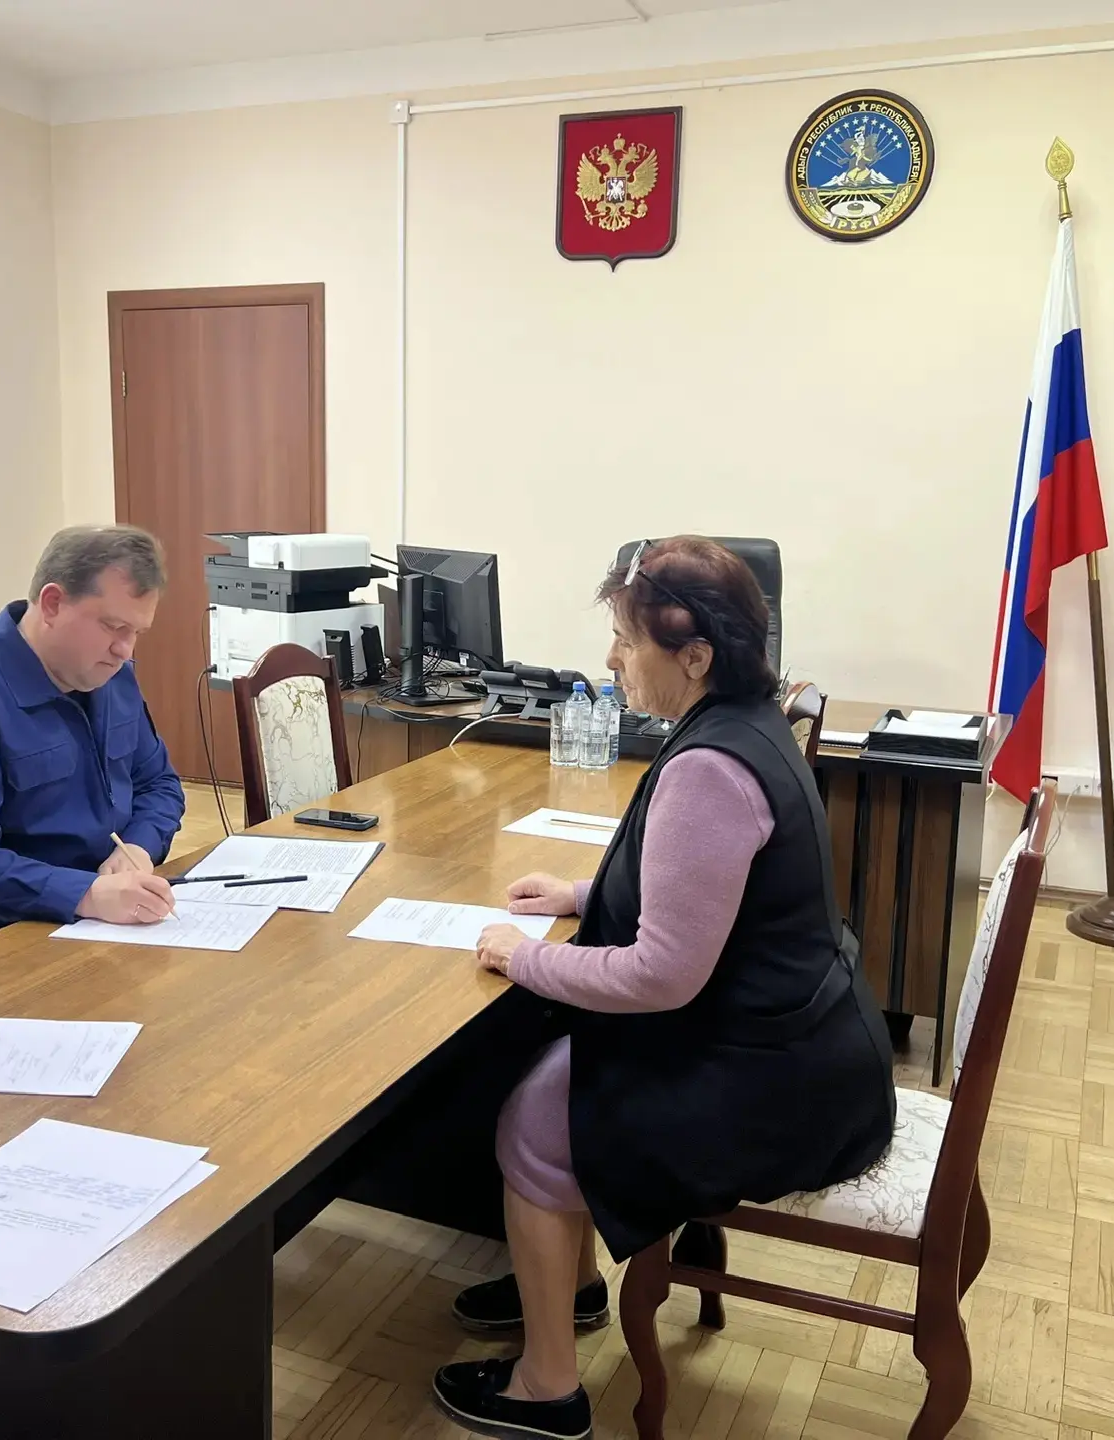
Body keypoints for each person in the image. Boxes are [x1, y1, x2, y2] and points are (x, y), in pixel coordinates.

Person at [431, 537, 896, 1440]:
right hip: (800, 1040)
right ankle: (569, 1289)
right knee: (552, 1069)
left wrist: (521, 957)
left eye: (625, 639)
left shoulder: (710, 768)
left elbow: (661, 973)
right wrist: (579, 897)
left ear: (695, 657)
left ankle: (546, 1388)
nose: (610, 658)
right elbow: (702, 888)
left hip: (779, 1086)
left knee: (533, 1113)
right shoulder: (746, 720)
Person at [0, 526, 187, 947]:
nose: (125, 650)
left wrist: (138, 849)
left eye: (136, 633)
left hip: (103, 914)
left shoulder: (112, 678)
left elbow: (158, 783)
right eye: (113, 626)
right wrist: (86, 894)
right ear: (52, 604)